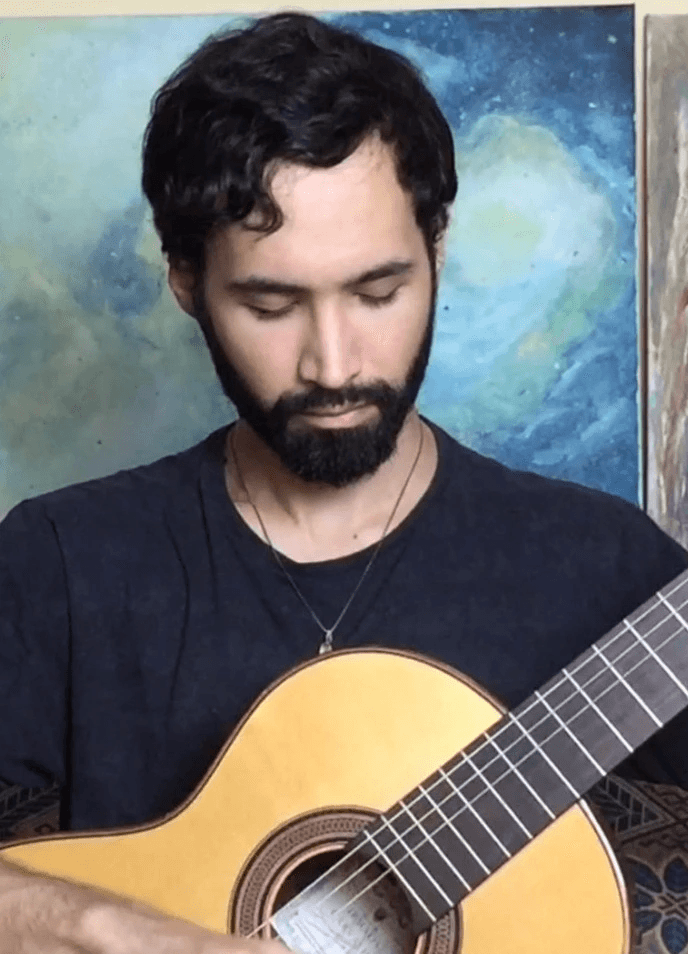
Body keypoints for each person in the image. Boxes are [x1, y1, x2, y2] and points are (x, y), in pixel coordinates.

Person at [0, 11, 686, 952]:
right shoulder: (60, 564)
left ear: (437, 249)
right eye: (271, 303)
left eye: (377, 292)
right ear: (187, 280)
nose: (334, 364)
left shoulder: (608, 572)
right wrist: (120, 931)